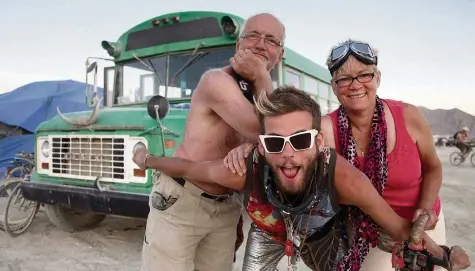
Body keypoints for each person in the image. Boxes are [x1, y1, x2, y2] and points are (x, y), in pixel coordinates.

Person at [134, 86, 469, 271]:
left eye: (301, 140)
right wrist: (146, 159)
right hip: (269, 234)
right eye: (276, 143)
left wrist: (442, 253)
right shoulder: (245, 170)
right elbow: (190, 168)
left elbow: (395, 225)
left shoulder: (342, 177)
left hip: (320, 234)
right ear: (262, 149)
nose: (289, 153)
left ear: (319, 143)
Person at [134, 13, 286, 271]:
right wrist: (262, 76)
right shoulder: (216, 80)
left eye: (271, 40)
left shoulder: (264, 95)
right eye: (252, 36)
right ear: (239, 45)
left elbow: (278, 144)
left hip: (226, 205)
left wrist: (250, 145)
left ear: (280, 54)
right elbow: (269, 134)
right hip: (183, 199)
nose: (260, 44)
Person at [319, 39, 446, 270]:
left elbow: (433, 167)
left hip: (424, 225)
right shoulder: (326, 129)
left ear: (377, 77)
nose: (355, 85)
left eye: (364, 75)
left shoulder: (409, 115)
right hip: (369, 233)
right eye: (344, 79)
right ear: (334, 86)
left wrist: (425, 210)